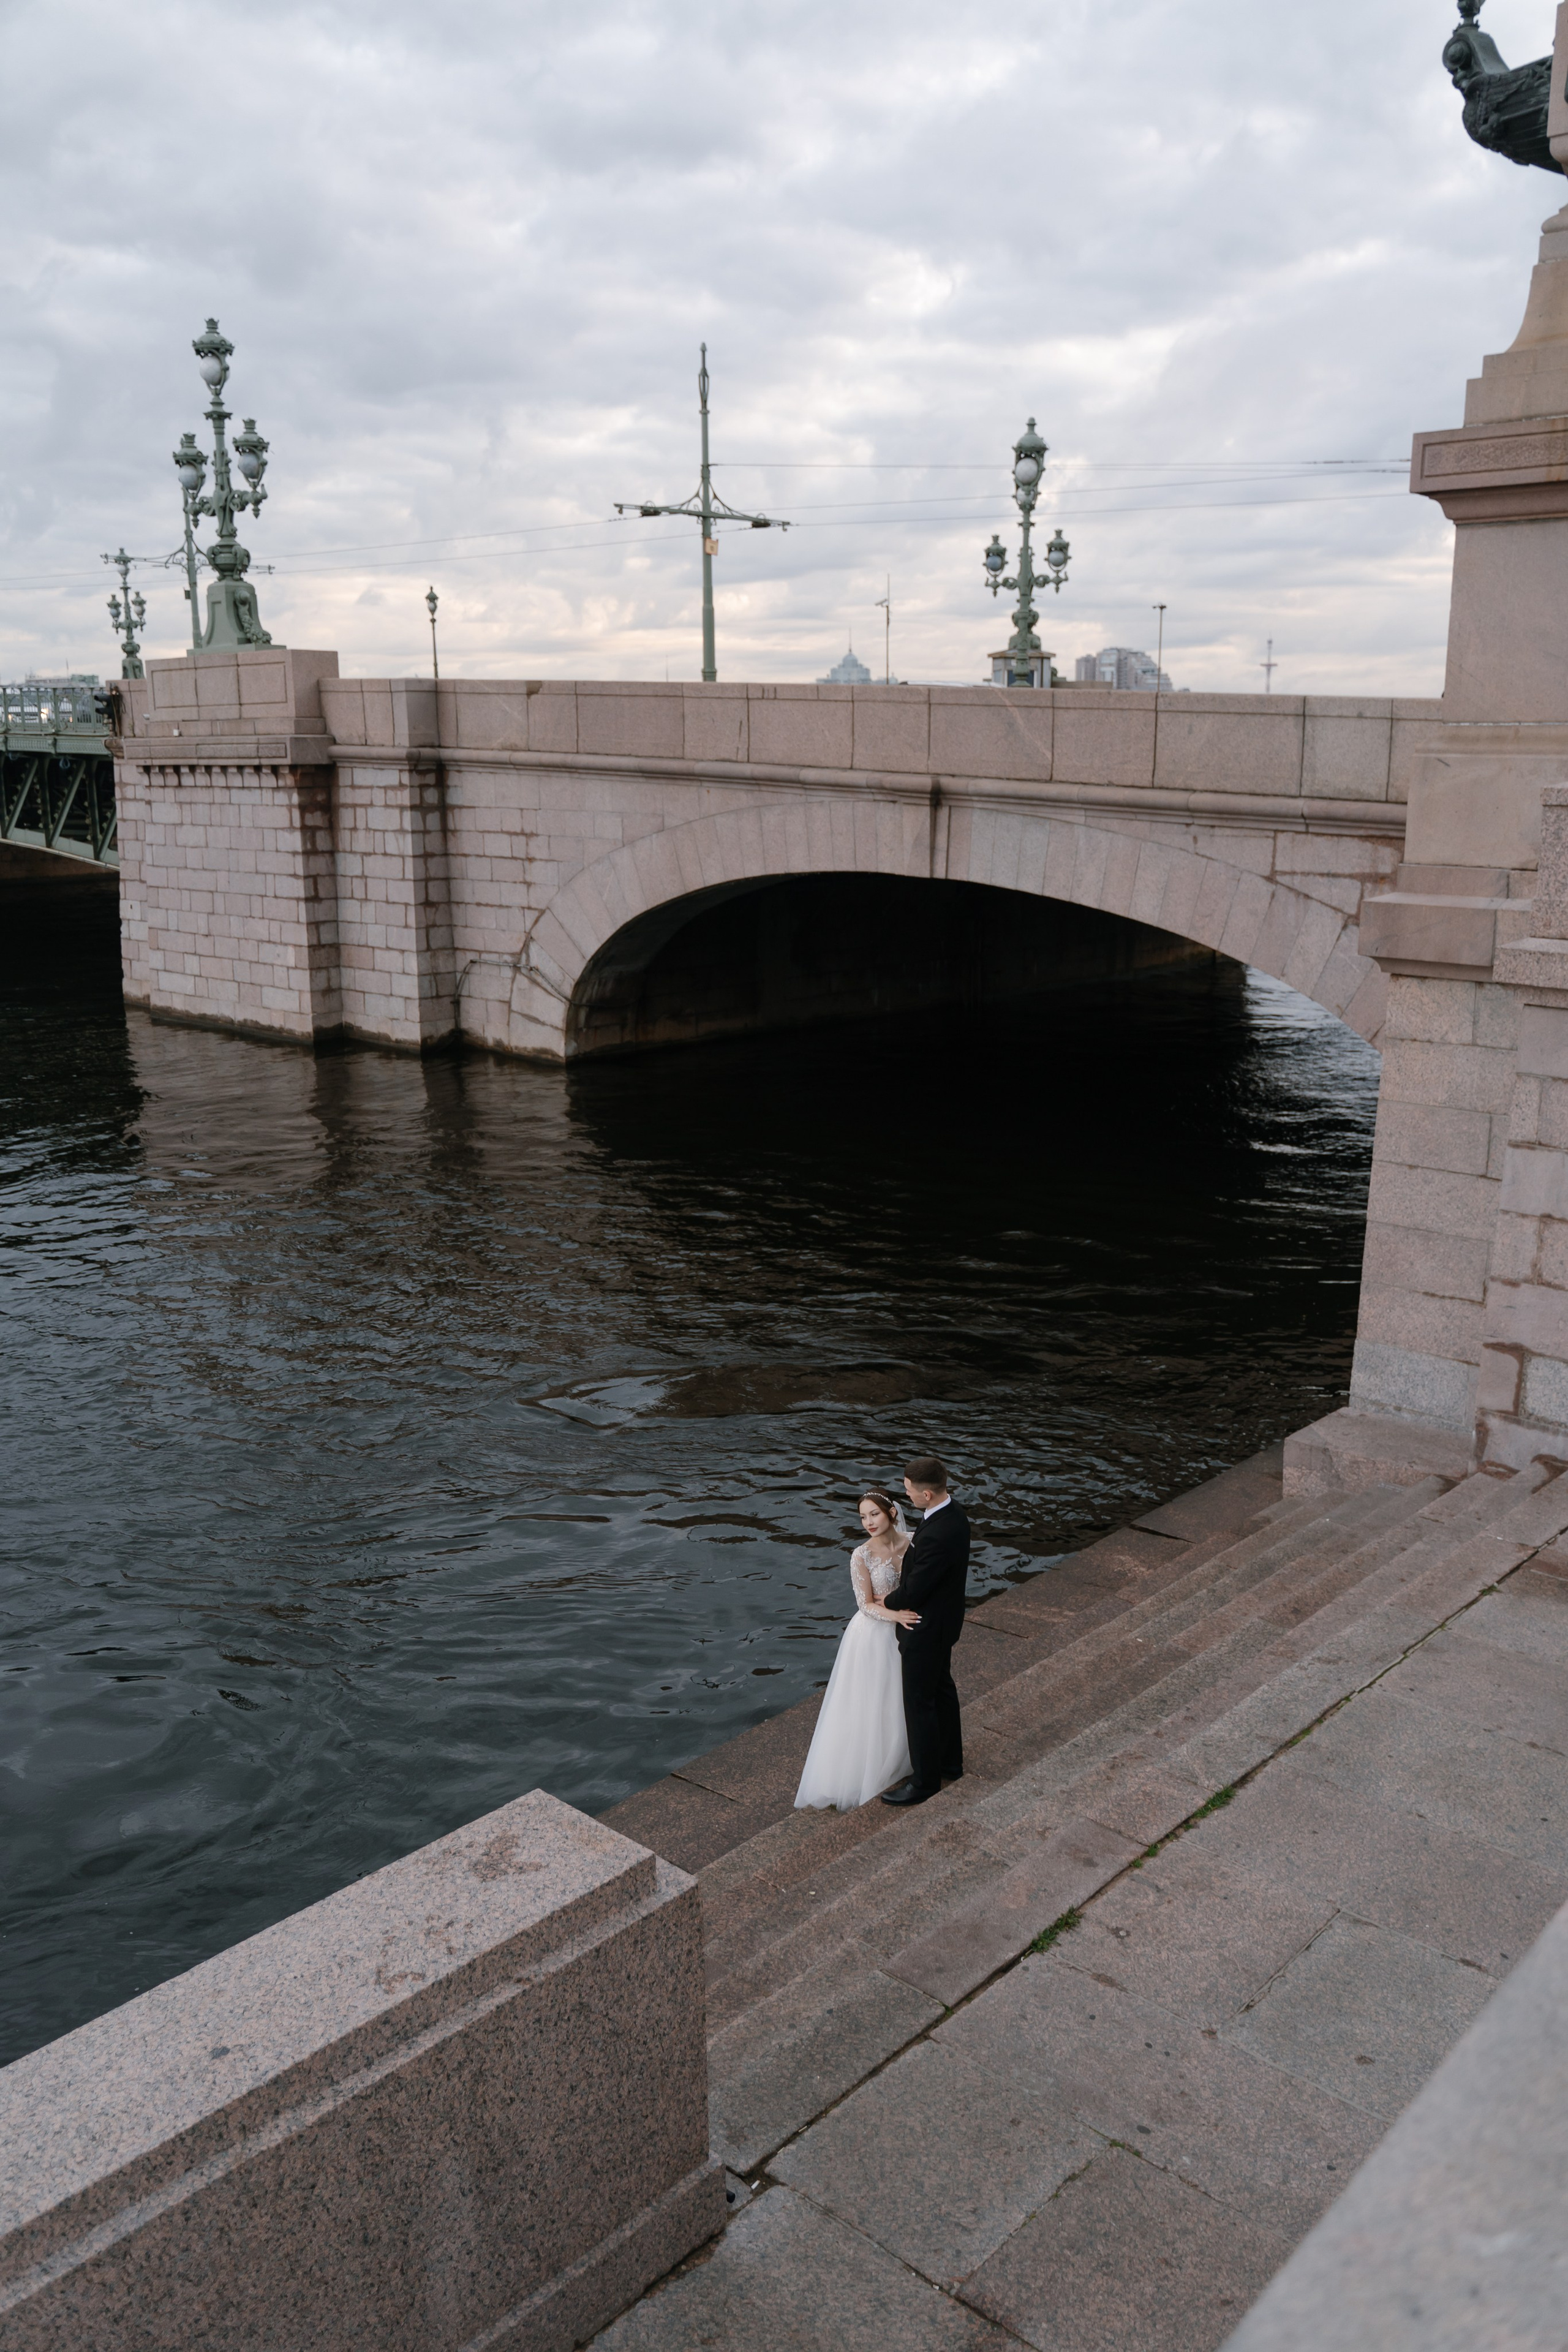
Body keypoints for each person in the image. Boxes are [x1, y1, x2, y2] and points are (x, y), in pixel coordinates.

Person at [794, 1490, 921, 1811]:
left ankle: (908, 1757)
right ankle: (872, 1769)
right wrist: (894, 1614)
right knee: (873, 1701)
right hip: (873, 1635)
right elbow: (864, 1604)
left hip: (907, 1627)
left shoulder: (915, 1540)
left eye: (874, 1514)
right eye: (863, 1517)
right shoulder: (860, 1555)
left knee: (903, 1697)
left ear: (891, 1512)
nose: (868, 1523)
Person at [880, 1454, 969, 1807]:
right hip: (945, 1623)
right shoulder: (954, 1514)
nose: (908, 1495)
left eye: (909, 1490)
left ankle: (925, 1781)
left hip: (925, 1628)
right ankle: (950, 1763)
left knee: (920, 1703)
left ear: (927, 1494)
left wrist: (886, 1601)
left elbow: (915, 1590)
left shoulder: (938, 1532)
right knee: (942, 1690)